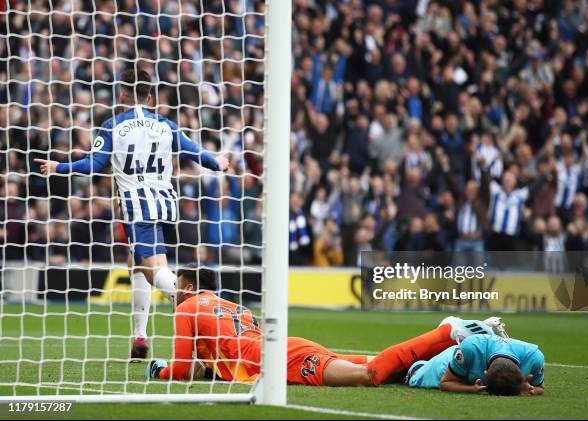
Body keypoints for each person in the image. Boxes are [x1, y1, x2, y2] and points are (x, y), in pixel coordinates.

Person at [35, 69, 229, 359]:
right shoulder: (165, 125)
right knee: (137, 265)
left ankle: (200, 302)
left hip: (137, 207)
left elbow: (94, 164)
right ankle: (140, 337)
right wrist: (218, 163)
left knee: (156, 272)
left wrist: (58, 167)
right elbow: (194, 152)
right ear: (150, 96)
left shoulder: (114, 125)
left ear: (122, 94)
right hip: (165, 205)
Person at [145, 265, 505, 387]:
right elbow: (214, 366)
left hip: (284, 360)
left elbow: (180, 368)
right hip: (282, 349)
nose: (172, 291)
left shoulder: (188, 306)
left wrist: (159, 372)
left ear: (190, 287)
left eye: (176, 284)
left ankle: (448, 330)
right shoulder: (231, 306)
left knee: (371, 375)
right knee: (389, 369)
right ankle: (461, 348)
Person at [406, 328, 545, 396]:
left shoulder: (535, 358)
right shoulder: (469, 349)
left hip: (476, 353)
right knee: (414, 376)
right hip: (454, 359)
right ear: (485, 372)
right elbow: (445, 383)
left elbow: (540, 388)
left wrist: (529, 390)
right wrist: (472, 389)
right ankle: (417, 366)